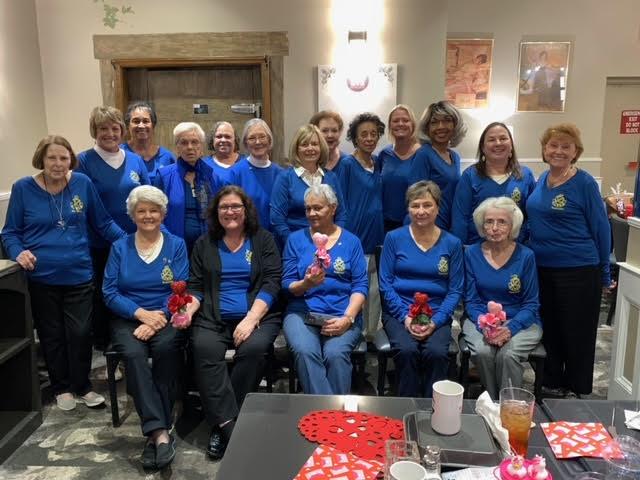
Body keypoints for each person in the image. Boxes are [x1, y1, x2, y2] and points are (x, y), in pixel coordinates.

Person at [1, 135, 124, 411]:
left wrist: (131, 243)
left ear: (71, 160)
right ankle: (61, 387)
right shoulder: (23, 188)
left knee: (80, 333)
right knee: (52, 334)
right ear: (41, 160)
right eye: (52, 158)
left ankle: (82, 386)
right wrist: (18, 251)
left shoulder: (82, 183)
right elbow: (10, 232)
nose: (58, 164)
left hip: (79, 273)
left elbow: (103, 223)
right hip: (41, 277)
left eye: (63, 158)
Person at [188, 186, 282, 460]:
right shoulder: (203, 243)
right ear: (215, 213)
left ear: (246, 210)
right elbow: (195, 286)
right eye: (223, 207)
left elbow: (272, 281)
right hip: (211, 317)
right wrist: (189, 308)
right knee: (205, 349)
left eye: (235, 206)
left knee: (253, 350)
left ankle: (221, 422)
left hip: (258, 315)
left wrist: (251, 319)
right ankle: (229, 425)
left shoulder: (263, 240)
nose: (230, 212)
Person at [102, 185, 188, 470]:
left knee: (165, 347)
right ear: (132, 215)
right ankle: (160, 432)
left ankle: (154, 434)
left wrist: (158, 318)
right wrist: (140, 314)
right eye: (142, 210)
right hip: (128, 318)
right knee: (134, 355)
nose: (148, 215)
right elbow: (109, 292)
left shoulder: (176, 245)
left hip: (166, 316)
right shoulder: (119, 247)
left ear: (163, 214)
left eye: (154, 210)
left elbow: (182, 287)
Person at [526, 123, 612, 398]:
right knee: (550, 329)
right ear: (544, 150)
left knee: (577, 333)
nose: (559, 151)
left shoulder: (584, 183)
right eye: (553, 145)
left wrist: (605, 272)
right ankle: (552, 383)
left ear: (576, 152)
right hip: (542, 269)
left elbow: (601, 229)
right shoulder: (541, 180)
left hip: (579, 270)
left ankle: (577, 389)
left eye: (566, 146)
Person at [76, 106, 150, 355]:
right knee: (105, 294)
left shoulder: (135, 160)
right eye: (103, 128)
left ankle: (136, 337)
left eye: (114, 128)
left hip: (139, 241)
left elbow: (148, 197)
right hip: (102, 244)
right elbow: (91, 209)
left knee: (133, 289)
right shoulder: (83, 162)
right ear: (94, 132)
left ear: (122, 130)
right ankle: (107, 346)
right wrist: (122, 239)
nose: (109, 133)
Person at [379, 181, 463, 397]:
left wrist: (435, 322)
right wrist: (405, 318)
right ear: (408, 208)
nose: (421, 211)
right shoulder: (394, 238)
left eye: (427, 205)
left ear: (438, 208)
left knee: (436, 353)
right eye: (415, 205)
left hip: (436, 313)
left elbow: (455, 290)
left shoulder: (452, 243)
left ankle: (433, 409)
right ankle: (405, 407)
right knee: (406, 351)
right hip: (399, 312)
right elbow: (385, 284)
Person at [282, 184, 367, 394]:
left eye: (317, 208)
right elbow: (287, 284)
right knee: (305, 351)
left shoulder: (351, 242)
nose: (311, 213)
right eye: (308, 208)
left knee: (335, 354)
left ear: (333, 208)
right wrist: (307, 283)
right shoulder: (295, 240)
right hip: (302, 312)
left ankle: (328, 414)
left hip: (341, 312)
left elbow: (360, 285)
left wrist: (347, 318)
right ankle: (331, 414)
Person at [462, 197, 542, 400]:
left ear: (512, 225)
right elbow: (471, 300)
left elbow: (531, 303)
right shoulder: (471, 253)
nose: (494, 228)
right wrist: (485, 327)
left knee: (508, 354)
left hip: (522, 321)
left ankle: (510, 406)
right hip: (480, 319)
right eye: (489, 222)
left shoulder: (526, 256)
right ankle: (492, 401)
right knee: (483, 352)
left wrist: (510, 328)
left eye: (502, 222)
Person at [451, 122, 536, 245]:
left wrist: (521, 240)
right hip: (476, 249)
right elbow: (460, 218)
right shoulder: (470, 176)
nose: (498, 143)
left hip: (515, 249)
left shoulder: (525, 175)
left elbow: (532, 215)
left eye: (503, 138)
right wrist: (461, 249)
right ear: (483, 148)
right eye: (491, 139)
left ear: (511, 145)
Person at [339, 113, 385, 337]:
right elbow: (340, 202)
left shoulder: (378, 163)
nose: (369, 138)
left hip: (377, 236)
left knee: (374, 291)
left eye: (373, 134)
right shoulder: (347, 164)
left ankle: (370, 336)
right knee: (357, 289)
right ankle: (354, 334)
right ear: (355, 138)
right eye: (363, 134)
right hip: (355, 237)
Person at [270, 124, 347, 248]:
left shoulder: (331, 177)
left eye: (315, 144)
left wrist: (334, 241)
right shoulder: (285, 178)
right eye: (304, 144)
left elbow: (341, 214)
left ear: (321, 147)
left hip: (330, 246)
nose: (310, 148)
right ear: (296, 149)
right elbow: (277, 219)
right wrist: (295, 244)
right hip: (296, 247)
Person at [154, 122, 226, 254]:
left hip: (209, 248)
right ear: (177, 148)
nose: (190, 147)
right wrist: (169, 241)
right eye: (184, 143)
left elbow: (219, 213)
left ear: (201, 147)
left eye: (195, 142)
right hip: (174, 248)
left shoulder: (213, 177)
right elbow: (155, 215)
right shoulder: (164, 177)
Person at [416, 101, 467, 230]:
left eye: (447, 120)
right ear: (427, 128)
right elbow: (417, 197)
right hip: (428, 226)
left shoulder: (454, 156)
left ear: (455, 125)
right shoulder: (424, 154)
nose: (440, 126)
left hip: (449, 224)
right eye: (434, 122)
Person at [229, 119, 283, 231]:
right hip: (246, 237)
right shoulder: (235, 173)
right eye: (252, 138)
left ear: (269, 140)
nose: (258, 142)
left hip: (276, 238)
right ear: (245, 143)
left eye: (262, 137)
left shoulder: (281, 173)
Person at [379, 104, 426, 232]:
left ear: (413, 125)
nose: (400, 124)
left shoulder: (423, 154)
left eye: (405, 120)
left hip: (415, 222)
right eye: (395, 121)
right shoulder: (384, 154)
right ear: (390, 126)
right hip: (385, 223)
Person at [122, 101, 175, 182]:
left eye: (146, 121)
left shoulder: (167, 157)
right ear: (128, 125)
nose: (141, 125)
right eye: (136, 121)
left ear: (153, 125)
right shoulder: (119, 153)